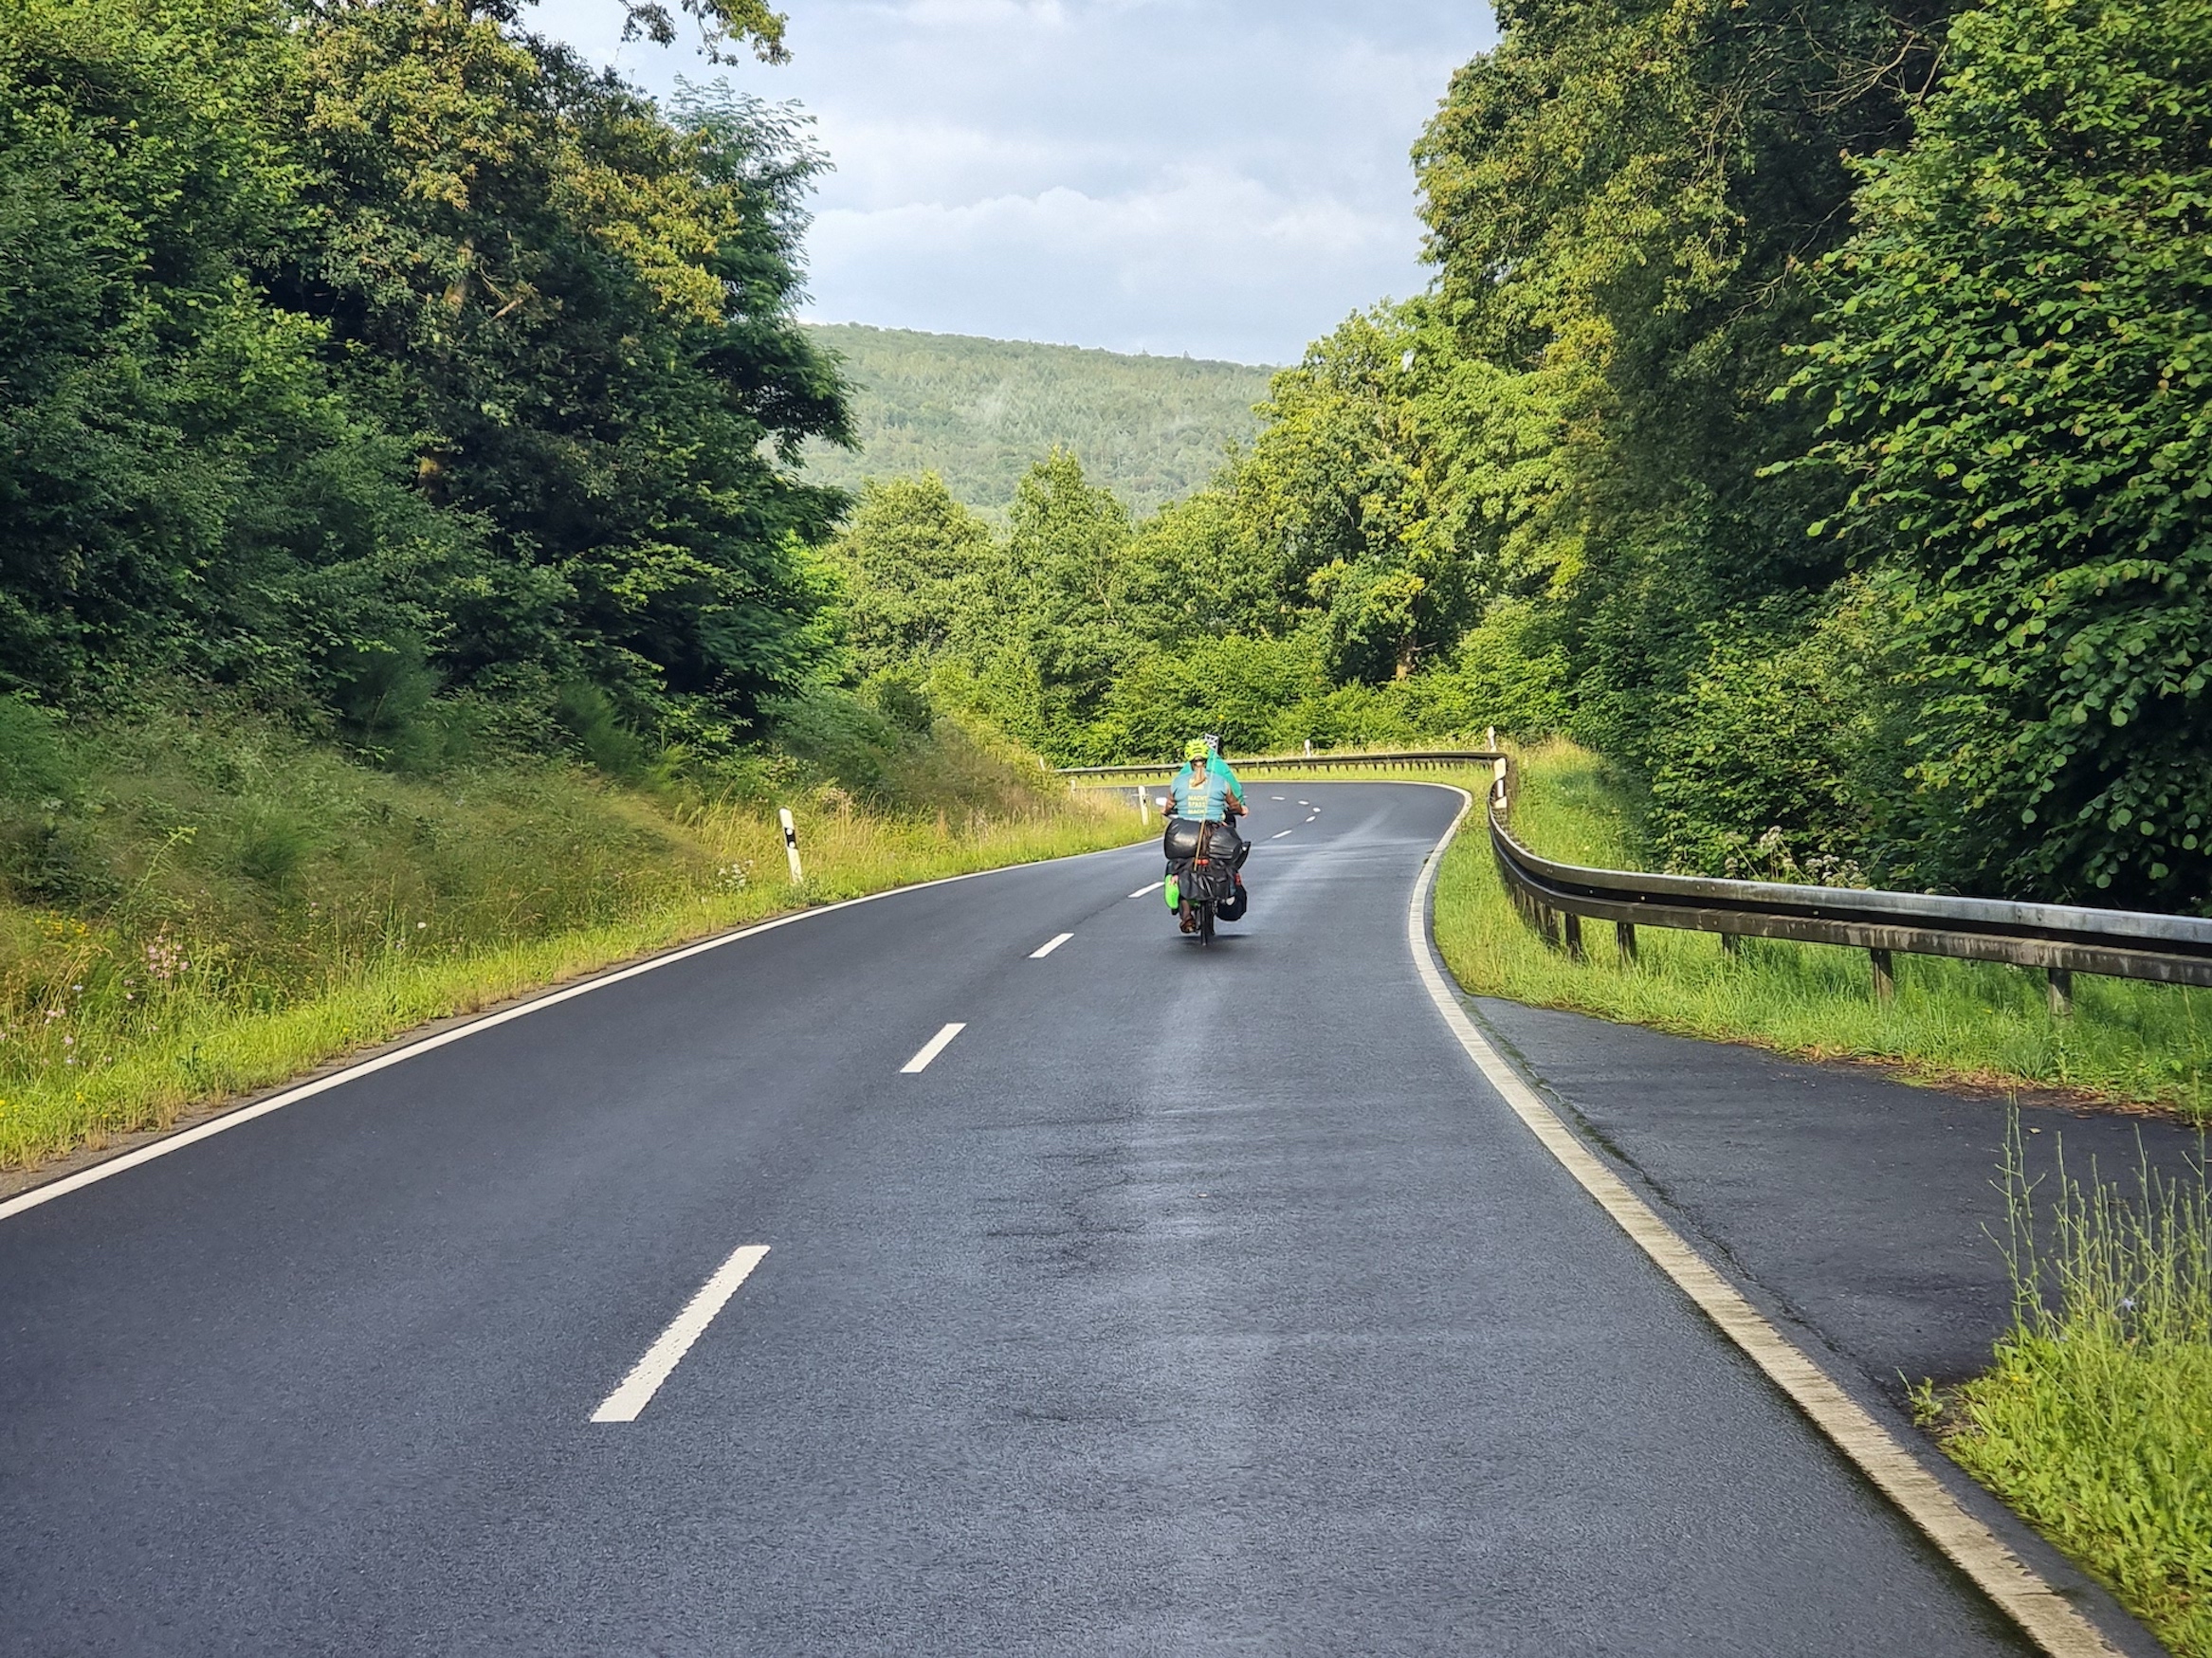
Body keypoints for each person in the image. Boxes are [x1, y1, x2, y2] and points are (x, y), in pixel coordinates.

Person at [1165, 738, 1249, 932]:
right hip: (1216, 834)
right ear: (1208, 758)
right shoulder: (1220, 781)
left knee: (1177, 867)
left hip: (1185, 837)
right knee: (1228, 862)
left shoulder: (1178, 782)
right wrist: (1241, 809)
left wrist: (1167, 811)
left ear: (1188, 761)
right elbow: (1234, 804)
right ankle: (1227, 895)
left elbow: (1168, 806)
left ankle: (1186, 914)